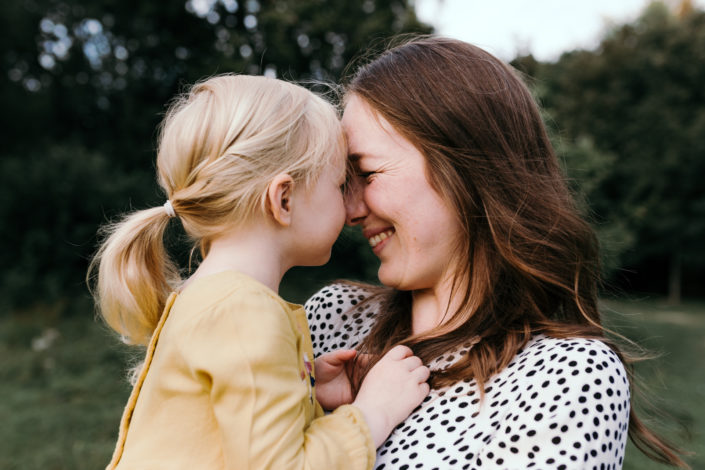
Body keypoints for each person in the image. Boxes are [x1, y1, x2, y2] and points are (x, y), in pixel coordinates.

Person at [305, 36, 689, 469]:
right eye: (344, 181)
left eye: (369, 173)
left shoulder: (569, 377)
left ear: (466, 168)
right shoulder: (332, 319)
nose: (351, 210)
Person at [88, 74, 430, 470]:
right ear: (283, 199)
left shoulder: (210, 298)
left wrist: (304, 389)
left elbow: (219, 437)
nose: (352, 208)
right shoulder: (244, 312)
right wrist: (374, 413)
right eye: (339, 185)